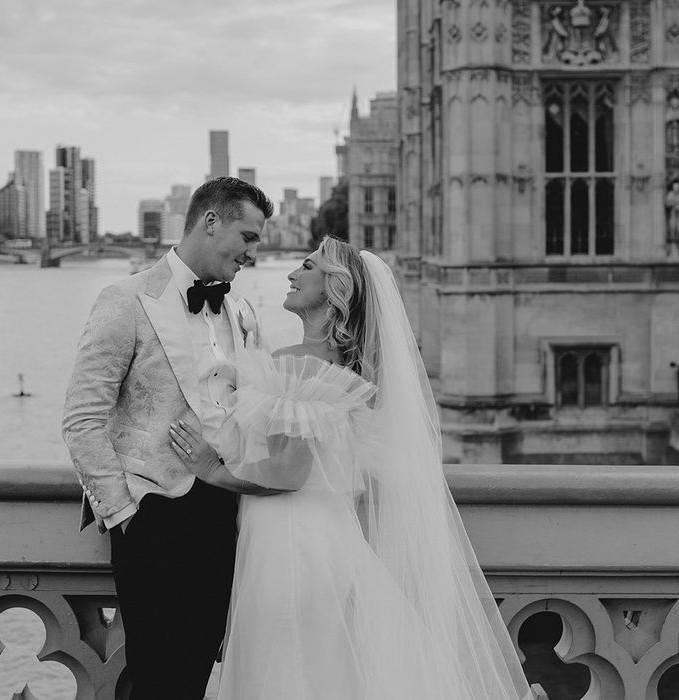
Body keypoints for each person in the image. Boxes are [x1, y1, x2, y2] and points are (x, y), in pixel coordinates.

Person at [169, 236, 534, 699]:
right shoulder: (347, 371)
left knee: (284, 678)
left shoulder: (298, 366)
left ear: (332, 289)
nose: (291, 273)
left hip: (289, 548)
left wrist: (210, 468)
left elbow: (286, 474)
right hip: (328, 541)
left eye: (307, 266)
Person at [62, 177, 283, 699]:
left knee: (196, 676)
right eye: (248, 237)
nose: (254, 252)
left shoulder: (244, 314)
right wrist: (125, 516)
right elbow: (81, 420)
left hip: (225, 513)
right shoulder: (125, 300)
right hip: (152, 519)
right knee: (157, 679)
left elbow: (260, 409)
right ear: (211, 221)